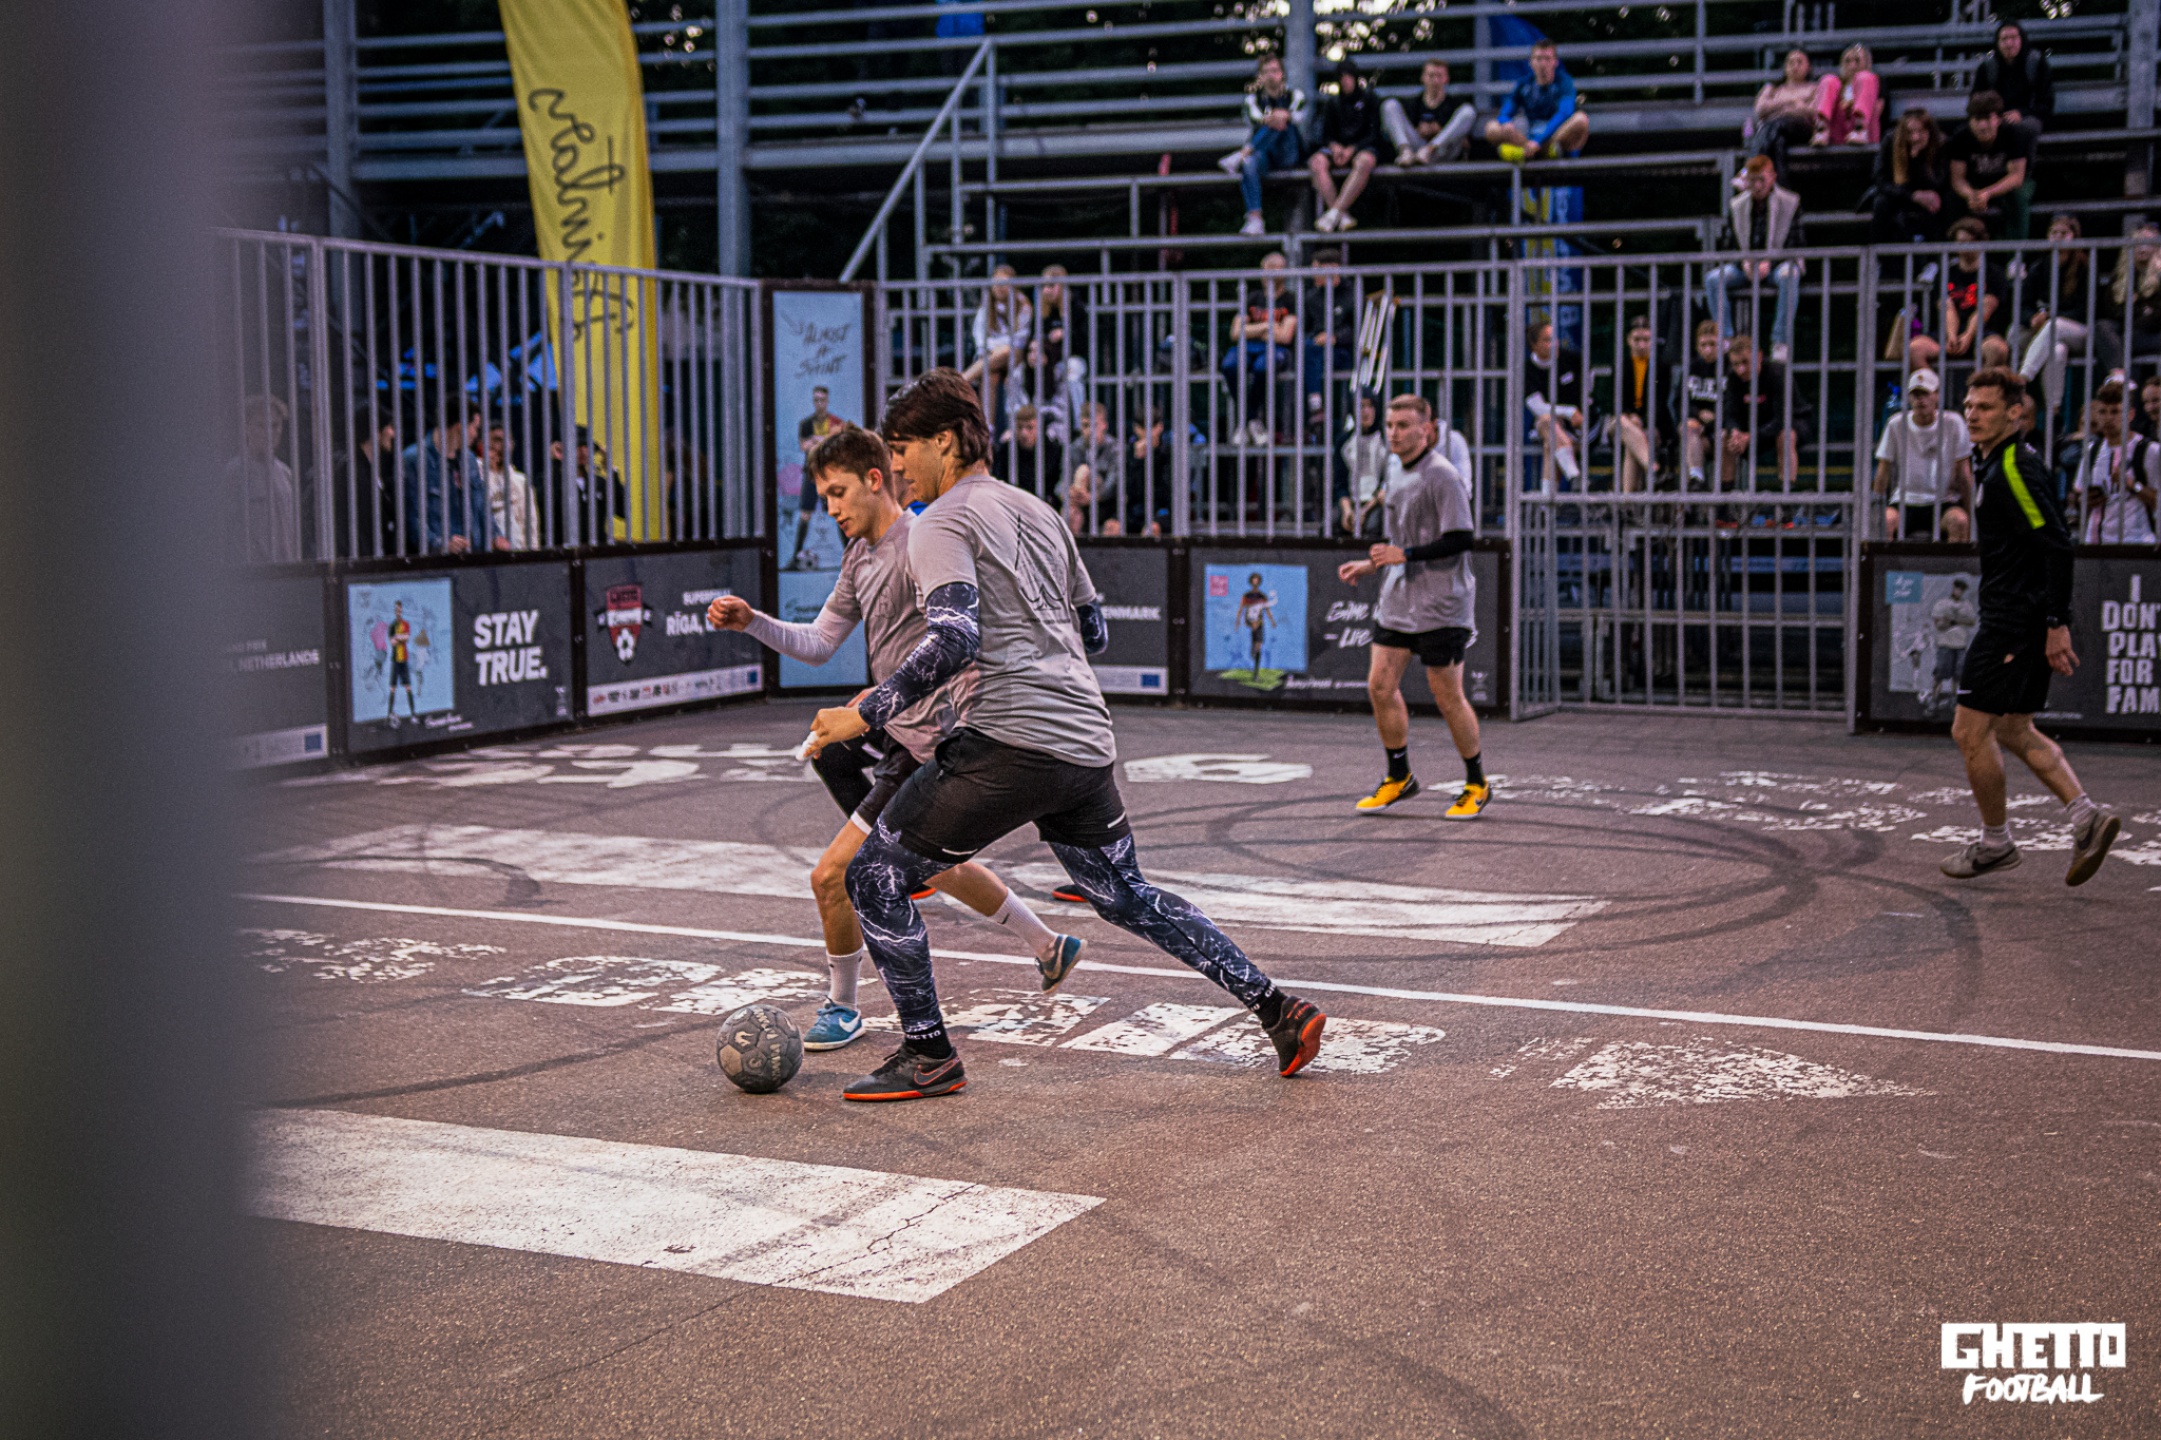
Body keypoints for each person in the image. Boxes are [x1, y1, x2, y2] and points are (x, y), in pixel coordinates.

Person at [807, 368, 1329, 1100]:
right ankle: (1279, 1010)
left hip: (1009, 738)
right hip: (1084, 739)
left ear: (946, 441)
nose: (896, 467)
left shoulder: (942, 522)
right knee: (1124, 894)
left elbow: (954, 638)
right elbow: (1094, 628)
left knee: (873, 875)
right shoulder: (1039, 510)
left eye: (903, 449)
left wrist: (866, 712)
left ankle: (928, 1055)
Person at [708, 427, 1082, 1052]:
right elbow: (820, 643)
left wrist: (891, 699)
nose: (830, 508)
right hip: (897, 733)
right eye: (824, 497)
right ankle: (1048, 944)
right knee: (921, 849)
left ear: (875, 480)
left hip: (928, 743)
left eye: (838, 493)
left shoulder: (923, 544)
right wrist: (754, 623)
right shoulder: (860, 556)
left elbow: (959, 637)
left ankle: (843, 1006)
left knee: (832, 876)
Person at [1942, 366, 2118, 884]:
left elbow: (2057, 545)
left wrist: (2056, 624)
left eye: (1986, 407)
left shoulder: (2014, 466)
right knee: (2013, 728)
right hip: (2019, 617)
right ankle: (2086, 817)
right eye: (1969, 406)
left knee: (1968, 731)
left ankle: (1995, 843)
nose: (1973, 415)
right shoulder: (1994, 463)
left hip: (2013, 621)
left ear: (2015, 413)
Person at [1338, 392, 1487, 819]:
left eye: (1404, 426)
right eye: (1390, 425)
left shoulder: (1442, 475)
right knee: (1379, 685)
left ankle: (1476, 782)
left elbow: (1462, 538)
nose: (1395, 433)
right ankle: (1399, 776)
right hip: (1400, 599)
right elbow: (1401, 539)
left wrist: (1404, 555)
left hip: (1442, 603)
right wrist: (1374, 564)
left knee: (1447, 695)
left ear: (1428, 430)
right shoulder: (1392, 469)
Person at [2016, 214, 2119, 415]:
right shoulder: (2039, 267)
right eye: (2053, 232)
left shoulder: (2085, 267)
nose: (2058, 237)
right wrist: (2032, 318)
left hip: (2081, 331)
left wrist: (2050, 316)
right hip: (2050, 332)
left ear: (2074, 237)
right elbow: (2023, 304)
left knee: (2055, 325)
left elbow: (2086, 310)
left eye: (2064, 233)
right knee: (2057, 350)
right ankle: (2053, 410)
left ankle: (2023, 377)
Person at [1707, 155, 1806, 364]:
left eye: (1761, 179)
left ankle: (1780, 341)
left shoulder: (1790, 202)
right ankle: (1726, 338)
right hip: (1745, 266)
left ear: (1772, 177)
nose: (1757, 186)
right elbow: (1729, 244)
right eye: (1752, 180)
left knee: (1789, 274)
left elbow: (1796, 243)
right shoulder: (1737, 205)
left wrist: (1770, 261)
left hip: (1778, 264)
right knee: (1713, 278)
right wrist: (1743, 262)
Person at [1873, 368, 1973, 540]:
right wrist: (1875, 510)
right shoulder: (1896, 424)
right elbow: (1883, 473)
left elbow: (1964, 474)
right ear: (1909, 397)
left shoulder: (1953, 423)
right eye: (1915, 394)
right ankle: (1884, 560)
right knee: (1885, 521)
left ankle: (1957, 560)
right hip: (1905, 501)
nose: (1921, 400)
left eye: (1926, 393)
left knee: (1959, 521)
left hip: (1943, 500)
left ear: (1937, 395)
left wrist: (1971, 513)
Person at [1220, 55, 1309, 238]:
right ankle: (1255, 218)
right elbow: (1256, 118)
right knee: (1249, 163)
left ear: (1282, 74)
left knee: (1283, 124)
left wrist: (1281, 116)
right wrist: (1276, 117)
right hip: (1264, 154)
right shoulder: (1252, 99)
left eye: (1274, 71)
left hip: (1288, 153)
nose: (1270, 76)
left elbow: (1299, 117)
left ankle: (1242, 153)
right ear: (1260, 76)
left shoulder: (1295, 95)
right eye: (1266, 72)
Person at [1221, 251, 1298, 445]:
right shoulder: (1253, 297)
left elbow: (1285, 336)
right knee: (1230, 365)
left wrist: (1251, 330)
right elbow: (1236, 332)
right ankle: (1252, 419)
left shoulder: (1290, 299)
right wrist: (1267, 326)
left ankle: (1247, 420)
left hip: (1276, 349)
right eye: (1266, 270)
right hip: (1249, 347)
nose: (1268, 275)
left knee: (1263, 367)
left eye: (1274, 270)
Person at [2072, 380, 2160, 545]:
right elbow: (2078, 494)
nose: (2108, 418)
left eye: (2115, 412)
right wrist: (2085, 500)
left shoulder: (2149, 450)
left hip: (2137, 543)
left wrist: (2133, 486)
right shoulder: (2092, 451)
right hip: (2095, 543)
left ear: (2130, 414)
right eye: (2103, 412)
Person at [1719, 334, 1808, 490]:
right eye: (1735, 364)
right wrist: (1735, 432)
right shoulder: (1732, 377)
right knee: (1725, 437)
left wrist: (1749, 437)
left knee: (1786, 435)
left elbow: (1781, 419)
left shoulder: (1777, 374)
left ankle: (1786, 494)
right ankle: (1725, 497)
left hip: (1787, 424)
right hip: (1752, 427)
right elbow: (1730, 412)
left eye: (1745, 362)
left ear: (1759, 356)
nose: (1741, 369)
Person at [401, 408, 491, 556]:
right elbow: (411, 518)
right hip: (435, 561)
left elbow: (481, 505)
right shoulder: (414, 460)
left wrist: (495, 535)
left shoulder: (469, 460)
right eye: (475, 428)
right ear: (460, 426)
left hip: (473, 556)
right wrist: (441, 544)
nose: (476, 435)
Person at [1308, 58, 1383, 233]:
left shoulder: (1370, 99)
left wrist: (1353, 148)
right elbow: (1326, 135)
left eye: (1349, 76)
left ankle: (1334, 213)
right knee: (1316, 162)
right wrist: (1335, 147)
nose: (1346, 81)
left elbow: (1374, 134)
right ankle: (1340, 214)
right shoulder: (1332, 103)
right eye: (1342, 77)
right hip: (1339, 148)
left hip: (1363, 147)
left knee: (1365, 161)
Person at [1945, 91, 2033, 240]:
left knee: (2019, 197)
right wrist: (1971, 195)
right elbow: (1957, 179)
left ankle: (2015, 252)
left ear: (1998, 119)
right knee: (1952, 199)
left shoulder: (2014, 133)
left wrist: (1987, 193)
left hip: (2008, 184)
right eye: (1977, 119)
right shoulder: (1960, 137)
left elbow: (2016, 177)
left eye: (1987, 118)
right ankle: (1955, 248)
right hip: (1975, 184)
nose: (1982, 125)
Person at [1484, 39, 1588, 162]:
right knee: (1491, 128)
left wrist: (1539, 141)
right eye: (1538, 59)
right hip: (1529, 138)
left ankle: (1524, 152)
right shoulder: (1524, 84)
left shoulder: (1564, 82)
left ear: (1555, 62)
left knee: (1581, 119)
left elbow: (1565, 113)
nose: (1543, 64)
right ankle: (1535, 151)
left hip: (1554, 136)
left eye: (1547, 59)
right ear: (1531, 62)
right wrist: (1506, 122)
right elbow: (1505, 112)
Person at [227, 394, 300, 565]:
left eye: (275, 425)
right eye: (262, 425)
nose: (270, 432)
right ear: (246, 427)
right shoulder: (235, 474)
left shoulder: (286, 473)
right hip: (250, 571)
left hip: (287, 569)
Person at [1869, 107, 1949, 245]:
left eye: (1921, 131)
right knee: (1881, 204)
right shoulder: (1890, 141)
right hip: (1898, 194)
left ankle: (1937, 254)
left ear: (1929, 131)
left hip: (1929, 194)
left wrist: (1919, 160)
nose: (1915, 137)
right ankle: (1878, 252)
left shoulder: (1940, 144)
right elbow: (1881, 179)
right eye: (1910, 132)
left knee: (1942, 204)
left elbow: (1939, 182)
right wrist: (1912, 196)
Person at [1972, 19, 2053, 148]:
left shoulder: (2036, 63)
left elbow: (2046, 103)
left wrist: (2021, 113)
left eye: (2013, 38)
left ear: (2021, 39)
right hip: (1994, 118)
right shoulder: (1987, 68)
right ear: (1997, 42)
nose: (2009, 44)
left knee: (2024, 130)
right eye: (2004, 39)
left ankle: (2023, 162)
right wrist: (1994, 117)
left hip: (2028, 116)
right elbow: (1975, 100)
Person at [1383, 58, 1477, 168]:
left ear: (1446, 79)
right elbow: (1404, 129)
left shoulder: (1455, 104)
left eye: (1439, 76)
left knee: (1468, 111)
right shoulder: (1414, 103)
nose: (1435, 81)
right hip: (1416, 151)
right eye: (1431, 76)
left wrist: (1438, 131)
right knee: (1390, 105)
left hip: (1443, 152)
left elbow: (1463, 140)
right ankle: (1404, 151)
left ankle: (1428, 150)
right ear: (1423, 77)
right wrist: (1420, 131)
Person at [1524, 319, 1585, 488]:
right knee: (1546, 420)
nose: (1554, 344)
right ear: (1534, 346)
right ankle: (1574, 476)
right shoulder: (1527, 369)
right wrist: (1569, 412)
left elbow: (1588, 390)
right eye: (1547, 340)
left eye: (1555, 338)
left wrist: (1575, 414)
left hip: (1579, 425)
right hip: (1552, 425)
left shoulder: (1572, 359)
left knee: (1550, 443)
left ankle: (1548, 500)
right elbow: (1537, 407)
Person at [1942, 217, 2011, 365]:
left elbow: (1985, 309)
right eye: (1961, 242)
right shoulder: (1946, 273)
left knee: (1997, 349)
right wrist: (1952, 336)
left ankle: (1981, 381)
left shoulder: (1994, 273)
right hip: (1948, 332)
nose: (1965, 247)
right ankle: (1932, 381)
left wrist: (1968, 336)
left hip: (1984, 332)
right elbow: (1947, 307)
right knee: (1915, 349)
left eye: (1970, 242)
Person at [963, 264, 1031, 411]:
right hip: (991, 355)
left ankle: (963, 379)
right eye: (996, 284)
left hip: (1016, 354)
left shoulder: (1023, 305)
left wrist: (996, 347)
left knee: (1006, 350)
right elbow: (979, 336)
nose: (999, 288)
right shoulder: (986, 306)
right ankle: (987, 423)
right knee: (989, 377)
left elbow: (1020, 339)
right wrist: (990, 349)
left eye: (1003, 284)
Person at [1026, 264, 1085, 426]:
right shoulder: (1041, 311)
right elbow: (1032, 337)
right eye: (1044, 286)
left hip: (1072, 358)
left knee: (1071, 373)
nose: (1046, 291)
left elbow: (1084, 343)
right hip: (1046, 358)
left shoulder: (1076, 308)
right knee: (1017, 373)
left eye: (1051, 286)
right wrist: (1033, 349)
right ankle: (1030, 422)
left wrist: (1066, 334)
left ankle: (1079, 424)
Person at [1747, 48, 1821, 176]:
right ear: (1785, 66)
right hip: (1777, 131)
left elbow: (1813, 111)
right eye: (1790, 62)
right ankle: (1780, 184)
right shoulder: (1773, 88)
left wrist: (1777, 108)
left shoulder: (1814, 88)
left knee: (1775, 124)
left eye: (1799, 62)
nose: (1795, 66)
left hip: (1802, 129)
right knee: (1778, 142)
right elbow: (1760, 109)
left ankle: (1750, 171)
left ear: (1808, 67)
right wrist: (1792, 102)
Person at [2100, 226, 2161, 375]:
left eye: (2147, 243)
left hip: (2153, 333)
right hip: (2127, 330)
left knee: (2125, 340)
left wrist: (2131, 308)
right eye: (2138, 242)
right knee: (2102, 327)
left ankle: (2124, 382)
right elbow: (2110, 310)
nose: (2142, 247)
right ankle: (2119, 377)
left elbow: (2156, 316)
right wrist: (2140, 309)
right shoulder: (2120, 276)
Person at [1301, 246, 1356, 412]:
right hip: (1316, 350)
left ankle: (1315, 403)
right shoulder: (1311, 296)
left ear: (1333, 268)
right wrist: (1317, 338)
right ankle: (1315, 404)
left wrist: (1335, 338)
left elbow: (1359, 328)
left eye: (1317, 270)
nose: (1314, 275)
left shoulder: (1352, 293)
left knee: (1311, 352)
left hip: (1343, 351)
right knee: (1308, 347)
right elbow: (1306, 328)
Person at [1675, 318, 1725, 488]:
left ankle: (1721, 489)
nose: (1708, 350)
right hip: (1696, 429)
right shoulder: (1691, 368)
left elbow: (1734, 406)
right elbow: (1679, 403)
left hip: (1721, 429)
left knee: (1721, 436)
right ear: (1697, 347)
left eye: (1712, 344)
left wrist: (1713, 421)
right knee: (1689, 428)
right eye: (1703, 345)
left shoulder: (1729, 368)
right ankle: (1696, 481)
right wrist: (1698, 414)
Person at [1611, 314, 1657, 492]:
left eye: (1646, 340)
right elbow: (1612, 402)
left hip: (1649, 425)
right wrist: (1630, 416)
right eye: (1637, 340)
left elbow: (1661, 404)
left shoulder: (1660, 366)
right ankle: (1651, 467)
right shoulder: (1620, 365)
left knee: (1632, 441)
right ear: (1628, 340)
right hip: (1619, 422)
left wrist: (1642, 420)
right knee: (1624, 423)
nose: (1642, 345)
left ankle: (1628, 500)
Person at [1923, 578, 1978, 718]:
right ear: (1953, 588)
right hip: (1945, 644)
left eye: (1961, 589)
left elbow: (1971, 621)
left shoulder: (1966, 605)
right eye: (1957, 588)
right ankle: (1934, 700)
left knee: (1958, 675)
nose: (1959, 591)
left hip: (1960, 645)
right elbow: (1939, 624)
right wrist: (1956, 621)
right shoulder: (1942, 604)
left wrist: (1953, 620)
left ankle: (1954, 700)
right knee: (1940, 674)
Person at [1064, 402, 1122, 535]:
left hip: (1106, 506)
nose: (1090, 431)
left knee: (1084, 471)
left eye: (1094, 425)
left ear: (1104, 425)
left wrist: (1092, 497)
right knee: (1070, 513)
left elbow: (1112, 485)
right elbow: (1062, 483)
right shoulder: (1073, 448)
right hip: (1080, 504)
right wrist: (1070, 493)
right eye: (1085, 425)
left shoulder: (1115, 449)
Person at [484, 422, 539, 550]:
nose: (503, 445)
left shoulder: (521, 482)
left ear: (512, 445)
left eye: (507, 440)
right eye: (497, 440)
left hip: (517, 552)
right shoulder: (476, 475)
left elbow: (530, 526)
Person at [1339, 389, 1387, 536]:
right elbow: (1339, 482)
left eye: (1370, 406)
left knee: (1373, 526)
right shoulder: (1344, 441)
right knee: (1330, 523)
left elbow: (1387, 482)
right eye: (1361, 406)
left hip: (1376, 502)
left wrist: (1364, 511)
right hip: (1352, 502)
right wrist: (1347, 511)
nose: (1366, 412)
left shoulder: (1385, 439)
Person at [1813, 43, 1878, 148]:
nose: (1852, 66)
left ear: (1866, 62)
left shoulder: (1873, 80)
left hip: (1867, 131)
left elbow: (1878, 109)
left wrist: (1852, 105)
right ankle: (1822, 130)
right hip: (1837, 132)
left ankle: (1860, 129)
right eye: (1847, 61)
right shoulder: (1835, 86)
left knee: (1865, 77)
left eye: (1857, 61)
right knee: (1828, 80)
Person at [997, 403, 1061, 503]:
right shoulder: (1006, 451)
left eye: (1029, 427)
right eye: (1019, 427)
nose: (1024, 433)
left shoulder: (1053, 451)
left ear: (1039, 428)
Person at [385, 600, 418, 722]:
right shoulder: (392, 626)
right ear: (394, 611)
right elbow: (392, 642)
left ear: (402, 610)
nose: (398, 612)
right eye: (396, 610)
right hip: (395, 661)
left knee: (408, 687)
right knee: (392, 688)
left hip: (404, 660)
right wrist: (400, 637)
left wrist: (398, 636)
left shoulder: (406, 624)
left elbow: (407, 638)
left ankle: (413, 714)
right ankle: (389, 715)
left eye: (400, 609)